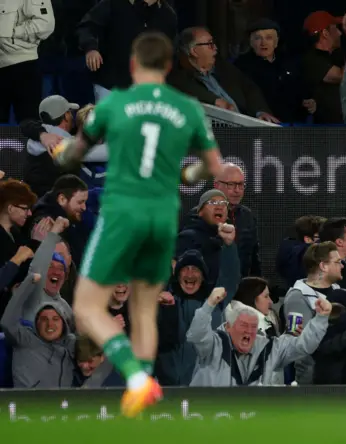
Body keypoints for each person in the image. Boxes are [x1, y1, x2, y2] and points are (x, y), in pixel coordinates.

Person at [50, 31, 226, 418]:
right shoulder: (189, 109)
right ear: (168, 66)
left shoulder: (116, 104)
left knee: (86, 308)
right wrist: (189, 174)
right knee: (144, 309)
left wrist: (61, 151)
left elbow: (73, 156)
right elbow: (210, 169)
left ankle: (133, 373)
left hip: (122, 213)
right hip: (163, 217)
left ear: (133, 65)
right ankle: (142, 390)